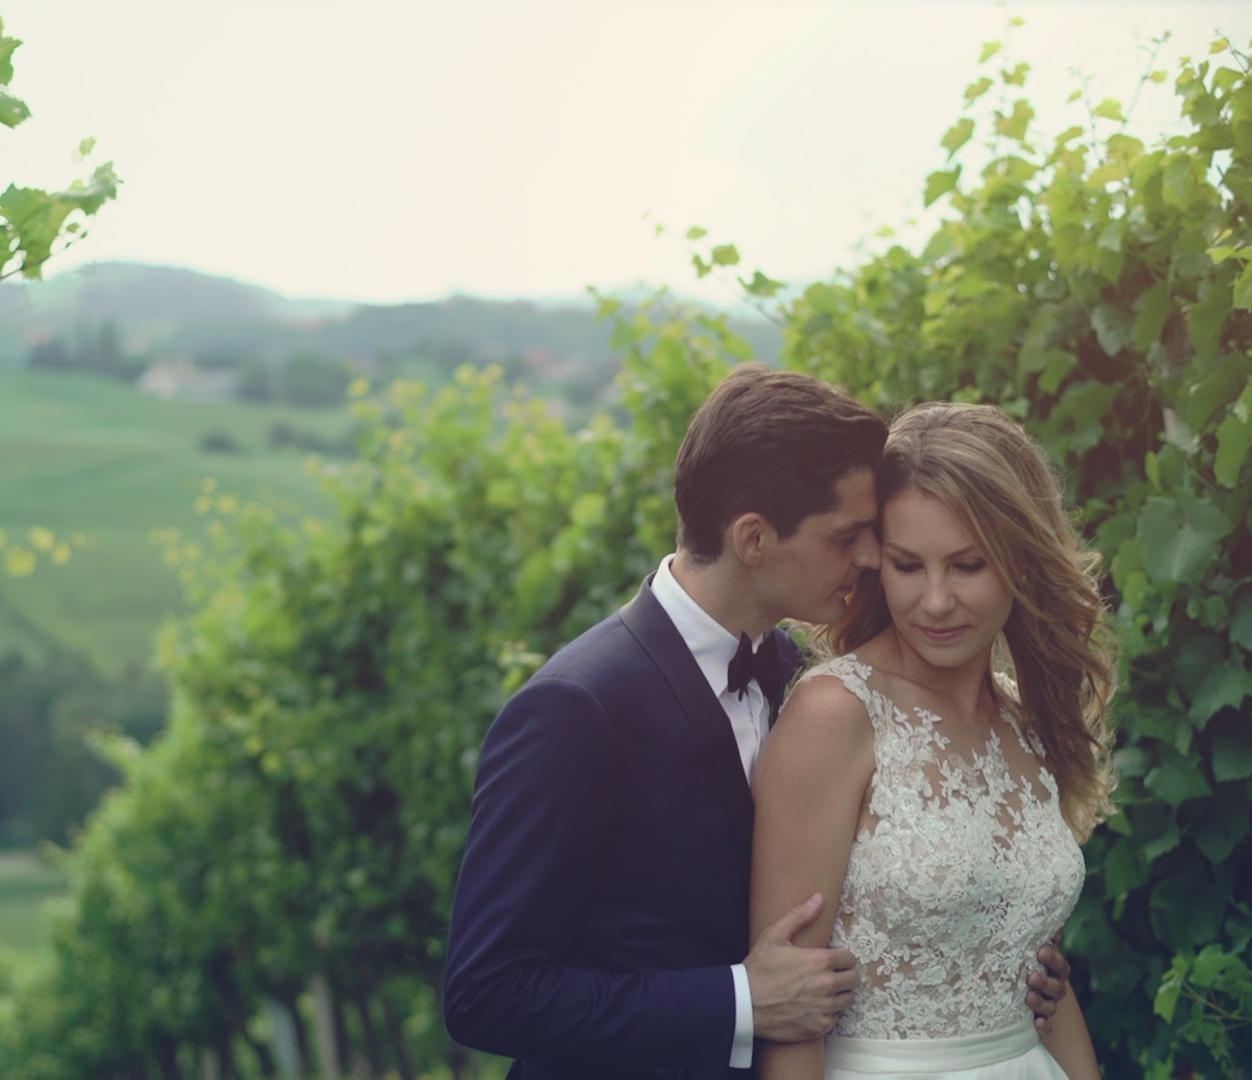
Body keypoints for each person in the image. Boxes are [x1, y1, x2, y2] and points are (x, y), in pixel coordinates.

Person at [444, 369, 1072, 1079]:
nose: (869, 558)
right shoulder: (577, 708)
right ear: (753, 538)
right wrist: (739, 1001)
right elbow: (485, 994)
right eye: (847, 537)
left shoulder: (795, 669)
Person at [750, 402, 1116, 1080]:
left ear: (1020, 562)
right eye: (908, 565)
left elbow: (1038, 982)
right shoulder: (836, 714)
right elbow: (789, 1018)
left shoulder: (1030, 722)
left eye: (969, 565)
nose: (936, 601)